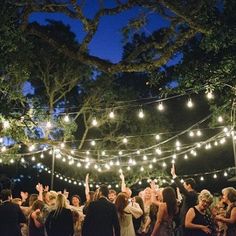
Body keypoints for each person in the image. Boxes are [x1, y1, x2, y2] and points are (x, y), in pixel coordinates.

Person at [171, 164, 198, 234]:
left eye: (184, 185)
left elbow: (182, 188)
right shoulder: (188, 195)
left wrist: (174, 175)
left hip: (188, 221)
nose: (183, 186)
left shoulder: (193, 194)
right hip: (183, 221)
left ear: (189, 185)